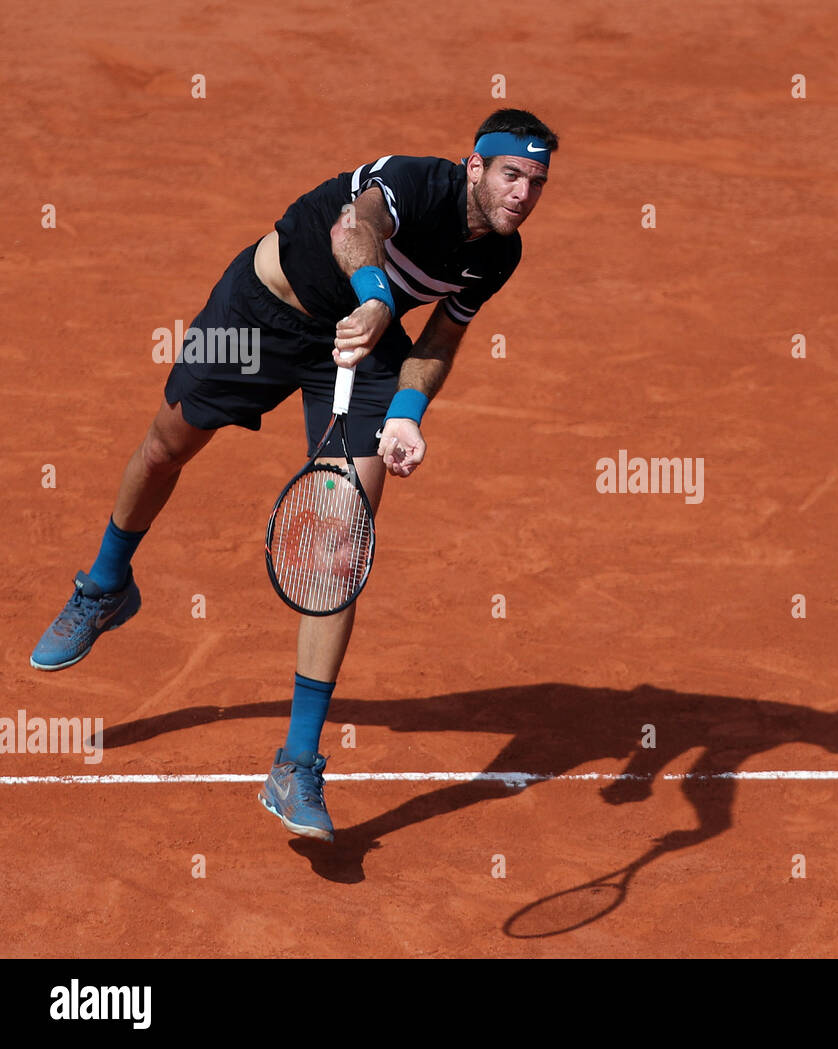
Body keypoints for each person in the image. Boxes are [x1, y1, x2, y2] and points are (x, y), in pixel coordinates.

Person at [30, 108, 559, 844]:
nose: (524, 193)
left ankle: (297, 762)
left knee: (339, 550)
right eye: (512, 175)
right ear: (475, 166)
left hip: (360, 350)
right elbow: (352, 229)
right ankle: (105, 584)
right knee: (164, 448)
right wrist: (377, 297)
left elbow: (442, 335)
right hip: (264, 312)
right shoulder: (415, 181)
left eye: (536, 182)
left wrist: (407, 411)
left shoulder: (499, 253)